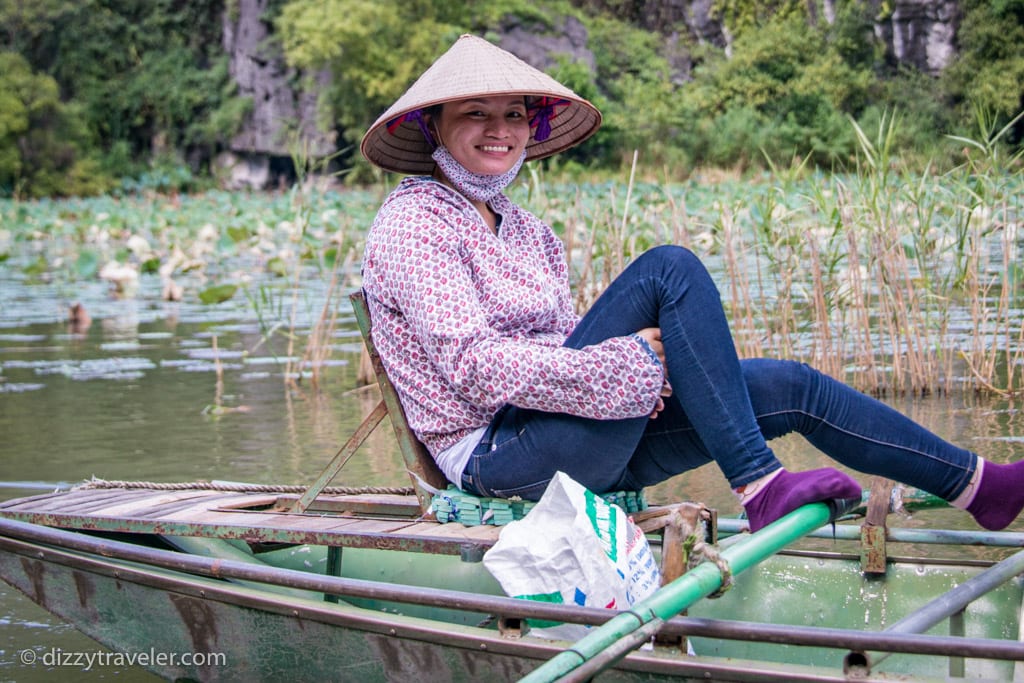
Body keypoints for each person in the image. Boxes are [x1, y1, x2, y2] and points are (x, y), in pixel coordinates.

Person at [359, 34, 1024, 532]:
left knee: (792, 385)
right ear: (432, 126)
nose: (498, 131)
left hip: (572, 432)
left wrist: (650, 373)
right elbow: (473, 368)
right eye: (476, 114)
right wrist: (627, 368)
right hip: (500, 458)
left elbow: (566, 346)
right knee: (669, 267)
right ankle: (761, 485)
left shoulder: (529, 230)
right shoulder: (414, 221)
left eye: (512, 116)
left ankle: (979, 486)